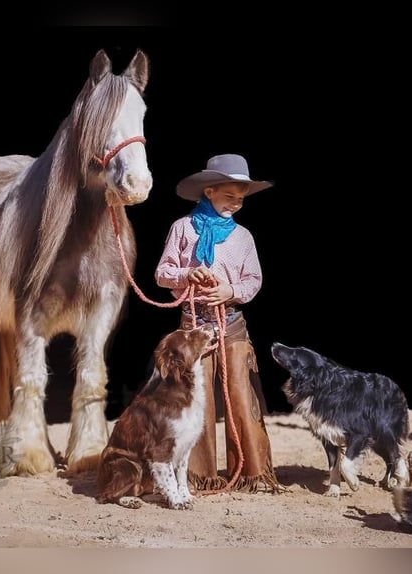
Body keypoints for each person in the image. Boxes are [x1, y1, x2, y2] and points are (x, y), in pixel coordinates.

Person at [154, 153, 284, 493]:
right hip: (193, 326)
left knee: (241, 394)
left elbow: (253, 281)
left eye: (241, 199)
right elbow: (162, 274)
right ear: (209, 191)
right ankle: (199, 474)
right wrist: (186, 274)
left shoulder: (243, 237)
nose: (237, 204)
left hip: (233, 322)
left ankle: (254, 474)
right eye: (230, 196)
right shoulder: (181, 229)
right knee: (198, 399)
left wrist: (230, 289)